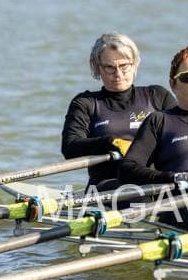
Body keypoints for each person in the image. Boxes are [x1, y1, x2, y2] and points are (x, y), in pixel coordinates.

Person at [118, 45, 188, 232]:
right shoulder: (160, 121)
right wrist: (174, 177)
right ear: (173, 84)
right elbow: (128, 169)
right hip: (182, 202)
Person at [61, 32, 176, 190]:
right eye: (109, 67)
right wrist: (109, 143)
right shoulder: (86, 103)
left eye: (124, 66)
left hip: (156, 182)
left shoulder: (157, 96)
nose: (118, 74)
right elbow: (70, 147)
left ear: (134, 64)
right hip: (107, 186)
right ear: (97, 67)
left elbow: (184, 133)